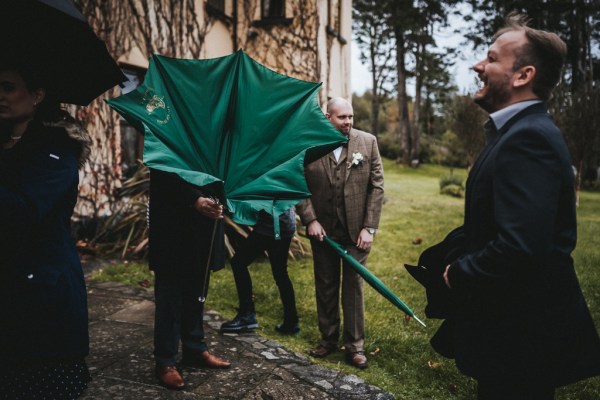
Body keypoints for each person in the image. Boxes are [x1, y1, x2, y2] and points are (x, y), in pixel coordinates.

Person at [439, 14, 600, 399]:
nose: (478, 66)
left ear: (523, 75)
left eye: (492, 59)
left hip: (521, 338)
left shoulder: (529, 138)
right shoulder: (514, 132)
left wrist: (458, 273)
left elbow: (520, 247)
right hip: (508, 331)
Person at [0, 64, 92, 399]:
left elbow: (23, 210)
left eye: (8, 87)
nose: (0, 95)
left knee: (38, 382)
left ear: (37, 95)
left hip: (41, 285)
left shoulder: (56, 148)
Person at [296, 97, 384, 369]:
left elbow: (377, 186)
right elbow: (296, 182)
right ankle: (328, 339)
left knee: (353, 287)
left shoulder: (367, 142)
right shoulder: (308, 144)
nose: (348, 122)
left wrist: (369, 228)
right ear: (328, 117)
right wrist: (310, 219)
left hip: (357, 232)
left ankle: (355, 347)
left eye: (350, 117)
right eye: (342, 117)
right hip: (323, 230)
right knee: (325, 284)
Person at [148, 168, 231, 390]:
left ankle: (194, 347)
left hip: (204, 226)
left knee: (198, 291)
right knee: (170, 295)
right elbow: (161, 171)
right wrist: (194, 198)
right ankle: (165, 361)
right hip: (173, 224)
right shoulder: (168, 133)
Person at [220, 208, 300, 334]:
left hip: (274, 226)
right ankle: (291, 322)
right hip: (283, 224)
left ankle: (247, 315)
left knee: (238, 262)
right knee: (281, 274)